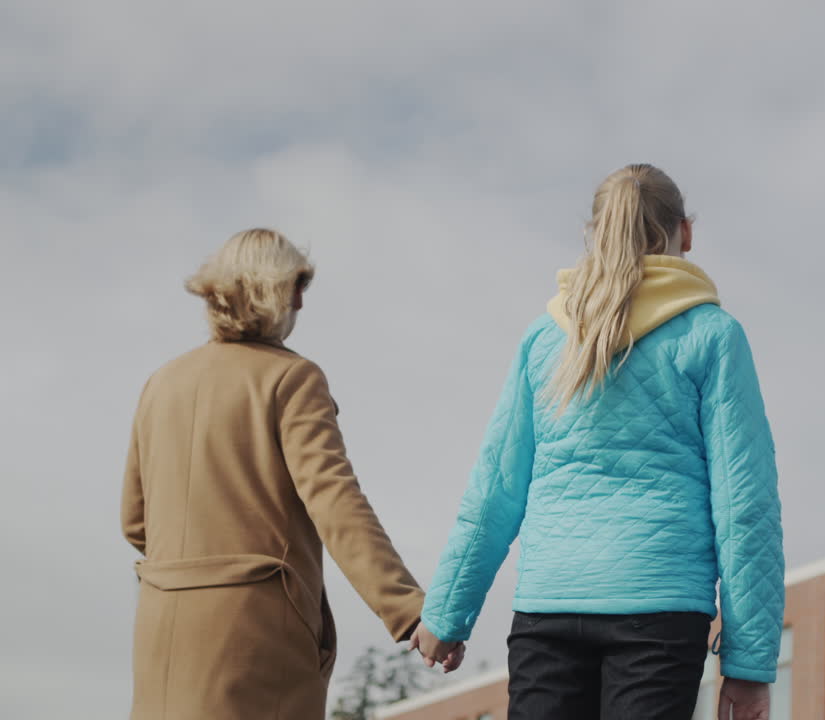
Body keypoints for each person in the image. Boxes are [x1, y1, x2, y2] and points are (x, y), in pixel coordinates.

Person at [410, 165, 784, 719]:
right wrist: (748, 664)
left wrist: (446, 614)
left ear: (595, 231)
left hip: (548, 611)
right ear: (686, 232)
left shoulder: (544, 337)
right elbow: (745, 506)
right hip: (660, 613)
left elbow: (495, 490)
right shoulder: (712, 335)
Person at [121, 229, 446, 720]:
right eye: (297, 285)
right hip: (256, 631)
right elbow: (335, 502)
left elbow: (135, 520)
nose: (300, 301)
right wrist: (408, 609)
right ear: (270, 289)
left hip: (160, 627)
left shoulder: (161, 382)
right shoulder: (293, 378)